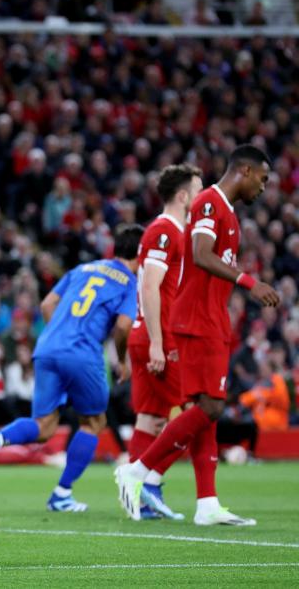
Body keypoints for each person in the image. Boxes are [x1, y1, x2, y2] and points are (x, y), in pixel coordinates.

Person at [116, 145, 280, 526]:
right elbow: (201, 252)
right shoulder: (210, 202)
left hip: (210, 319)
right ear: (244, 170)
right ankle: (140, 470)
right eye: (263, 178)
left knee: (205, 409)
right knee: (209, 409)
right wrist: (248, 281)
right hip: (196, 321)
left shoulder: (229, 214)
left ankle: (206, 503)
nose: (264, 187)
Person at [0, 224, 143, 512]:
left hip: (48, 348)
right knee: (94, 423)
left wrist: (61, 336)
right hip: (83, 354)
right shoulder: (128, 282)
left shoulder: (83, 269)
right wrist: (122, 360)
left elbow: (48, 304)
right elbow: (124, 327)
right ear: (140, 253)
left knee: (43, 426)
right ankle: (62, 493)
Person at [124, 164, 203, 520]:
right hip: (160, 336)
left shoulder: (174, 231)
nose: (203, 198)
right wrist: (158, 342)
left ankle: (137, 496)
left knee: (151, 419)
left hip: (148, 334)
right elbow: (149, 285)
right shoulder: (164, 230)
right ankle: (148, 481)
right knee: (200, 412)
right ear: (183, 196)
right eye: (199, 190)